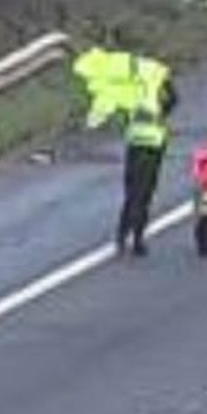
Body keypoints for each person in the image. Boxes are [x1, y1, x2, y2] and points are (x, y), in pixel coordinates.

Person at [74, 42, 178, 257]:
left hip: (135, 141)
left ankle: (123, 236)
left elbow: (110, 105)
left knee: (132, 191)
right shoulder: (155, 75)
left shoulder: (124, 82)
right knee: (145, 191)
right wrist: (162, 113)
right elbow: (172, 99)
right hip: (155, 143)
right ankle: (137, 239)